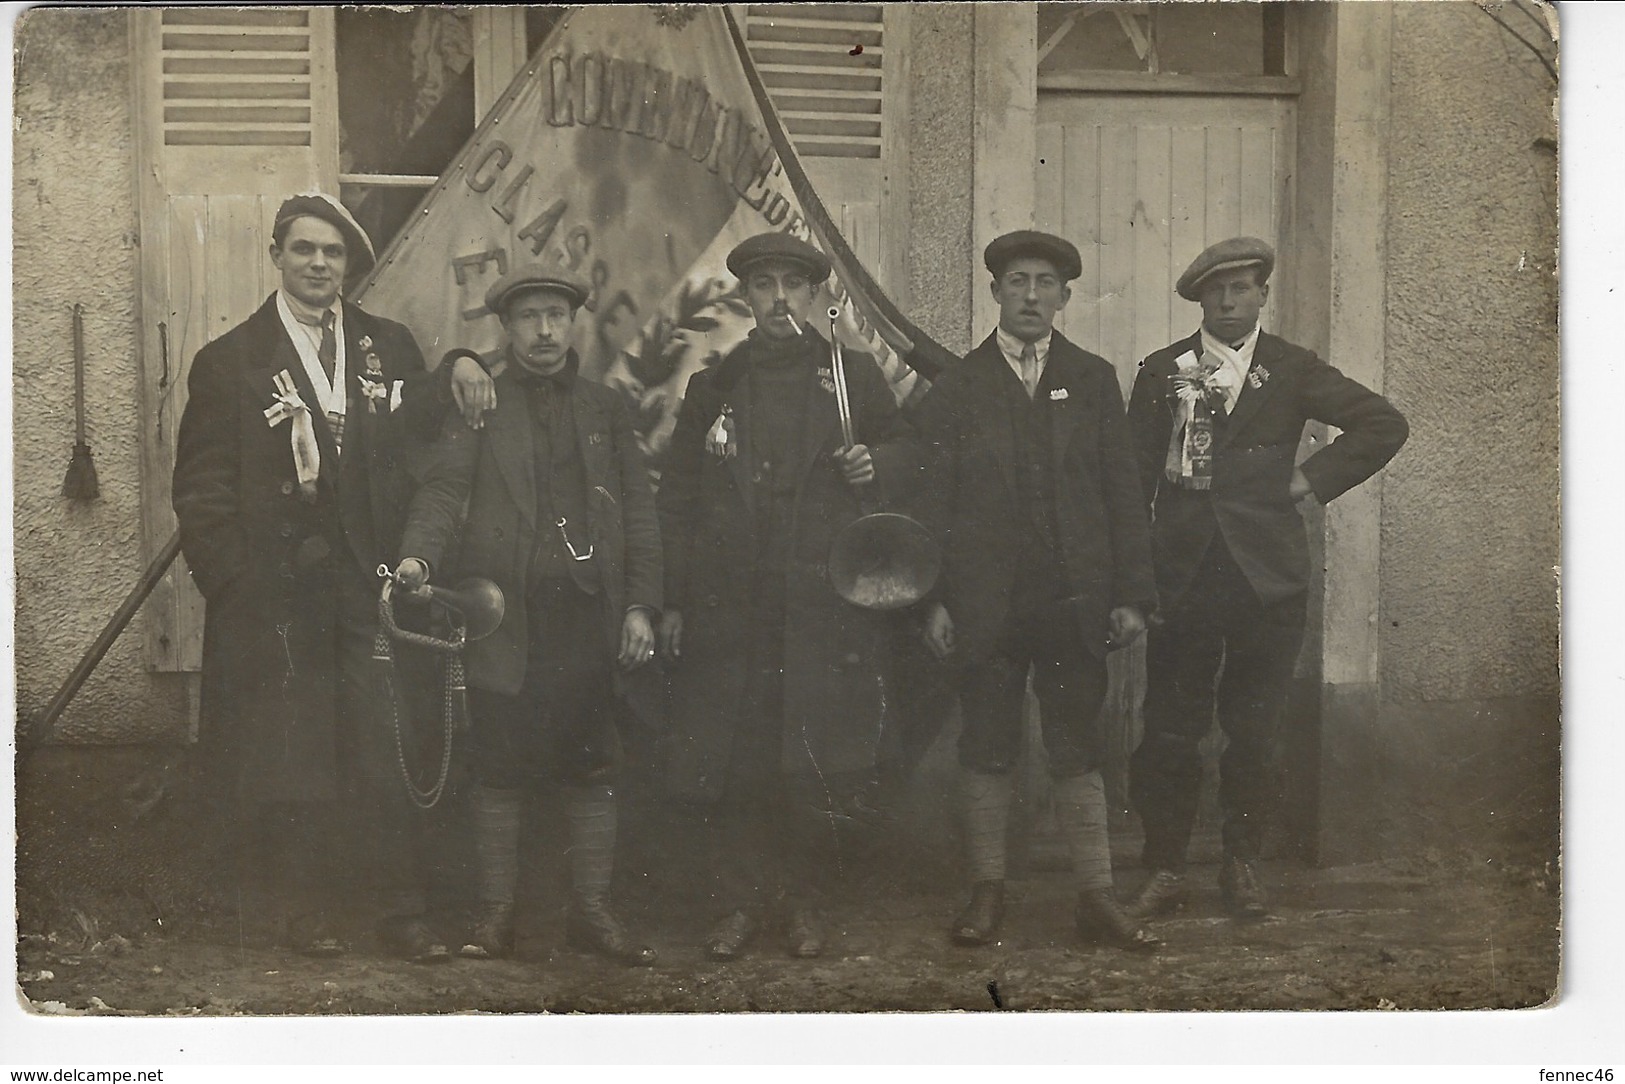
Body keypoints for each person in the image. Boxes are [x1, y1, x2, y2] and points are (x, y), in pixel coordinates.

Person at [172, 193, 482, 962]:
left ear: (348, 264)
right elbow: (202, 495)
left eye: (333, 253)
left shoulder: (387, 345)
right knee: (293, 753)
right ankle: (303, 911)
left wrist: (462, 362)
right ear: (276, 255)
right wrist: (240, 588)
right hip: (280, 599)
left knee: (384, 744)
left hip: (370, 589)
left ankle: (400, 910)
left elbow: (423, 443)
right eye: (304, 249)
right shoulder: (231, 361)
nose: (318, 265)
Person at [1125, 237, 1409, 920]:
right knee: (1168, 729)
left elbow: (1382, 423)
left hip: (1266, 581)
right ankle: (1163, 865)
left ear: (1261, 294)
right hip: (1184, 577)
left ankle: (1240, 864)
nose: (1228, 301)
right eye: (1215, 291)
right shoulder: (1165, 371)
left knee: (1254, 731)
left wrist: (1309, 479)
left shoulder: (1289, 367)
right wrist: (1134, 578)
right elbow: (1131, 483)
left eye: (1241, 288)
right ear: (1198, 299)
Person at [656, 232, 920, 960]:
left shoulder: (853, 379)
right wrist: (676, 599)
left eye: (791, 286)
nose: (777, 299)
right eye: (763, 285)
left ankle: (803, 903)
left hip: (822, 606)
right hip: (733, 609)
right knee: (741, 760)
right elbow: (675, 497)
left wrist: (880, 464)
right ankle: (741, 904)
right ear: (746, 296)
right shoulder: (716, 385)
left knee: (811, 763)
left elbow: (910, 452)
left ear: (812, 296)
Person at [395, 265, 662, 965]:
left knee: (593, 765)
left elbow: (639, 514)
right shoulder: (479, 405)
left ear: (573, 323)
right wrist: (417, 561)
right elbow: (443, 494)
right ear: (507, 329)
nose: (544, 331)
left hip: (587, 621)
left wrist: (638, 605)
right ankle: (494, 918)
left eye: (556, 315)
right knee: (500, 766)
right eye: (528, 318)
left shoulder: (605, 409)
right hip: (506, 624)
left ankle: (593, 912)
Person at [912, 230, 1161, 951]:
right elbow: (930, 503)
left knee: (1076, 745)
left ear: (1063, 296)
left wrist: (1131, 594)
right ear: (993, 292)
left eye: (1043, 282)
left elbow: (1122, 493)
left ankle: (1096, 897)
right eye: (1015, 281)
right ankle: (987, 891)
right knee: (986, 743)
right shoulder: (959, 386)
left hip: (1073, 602)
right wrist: (930, 601)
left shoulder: (1089, 379)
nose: (1029, 295)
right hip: (982, 605)